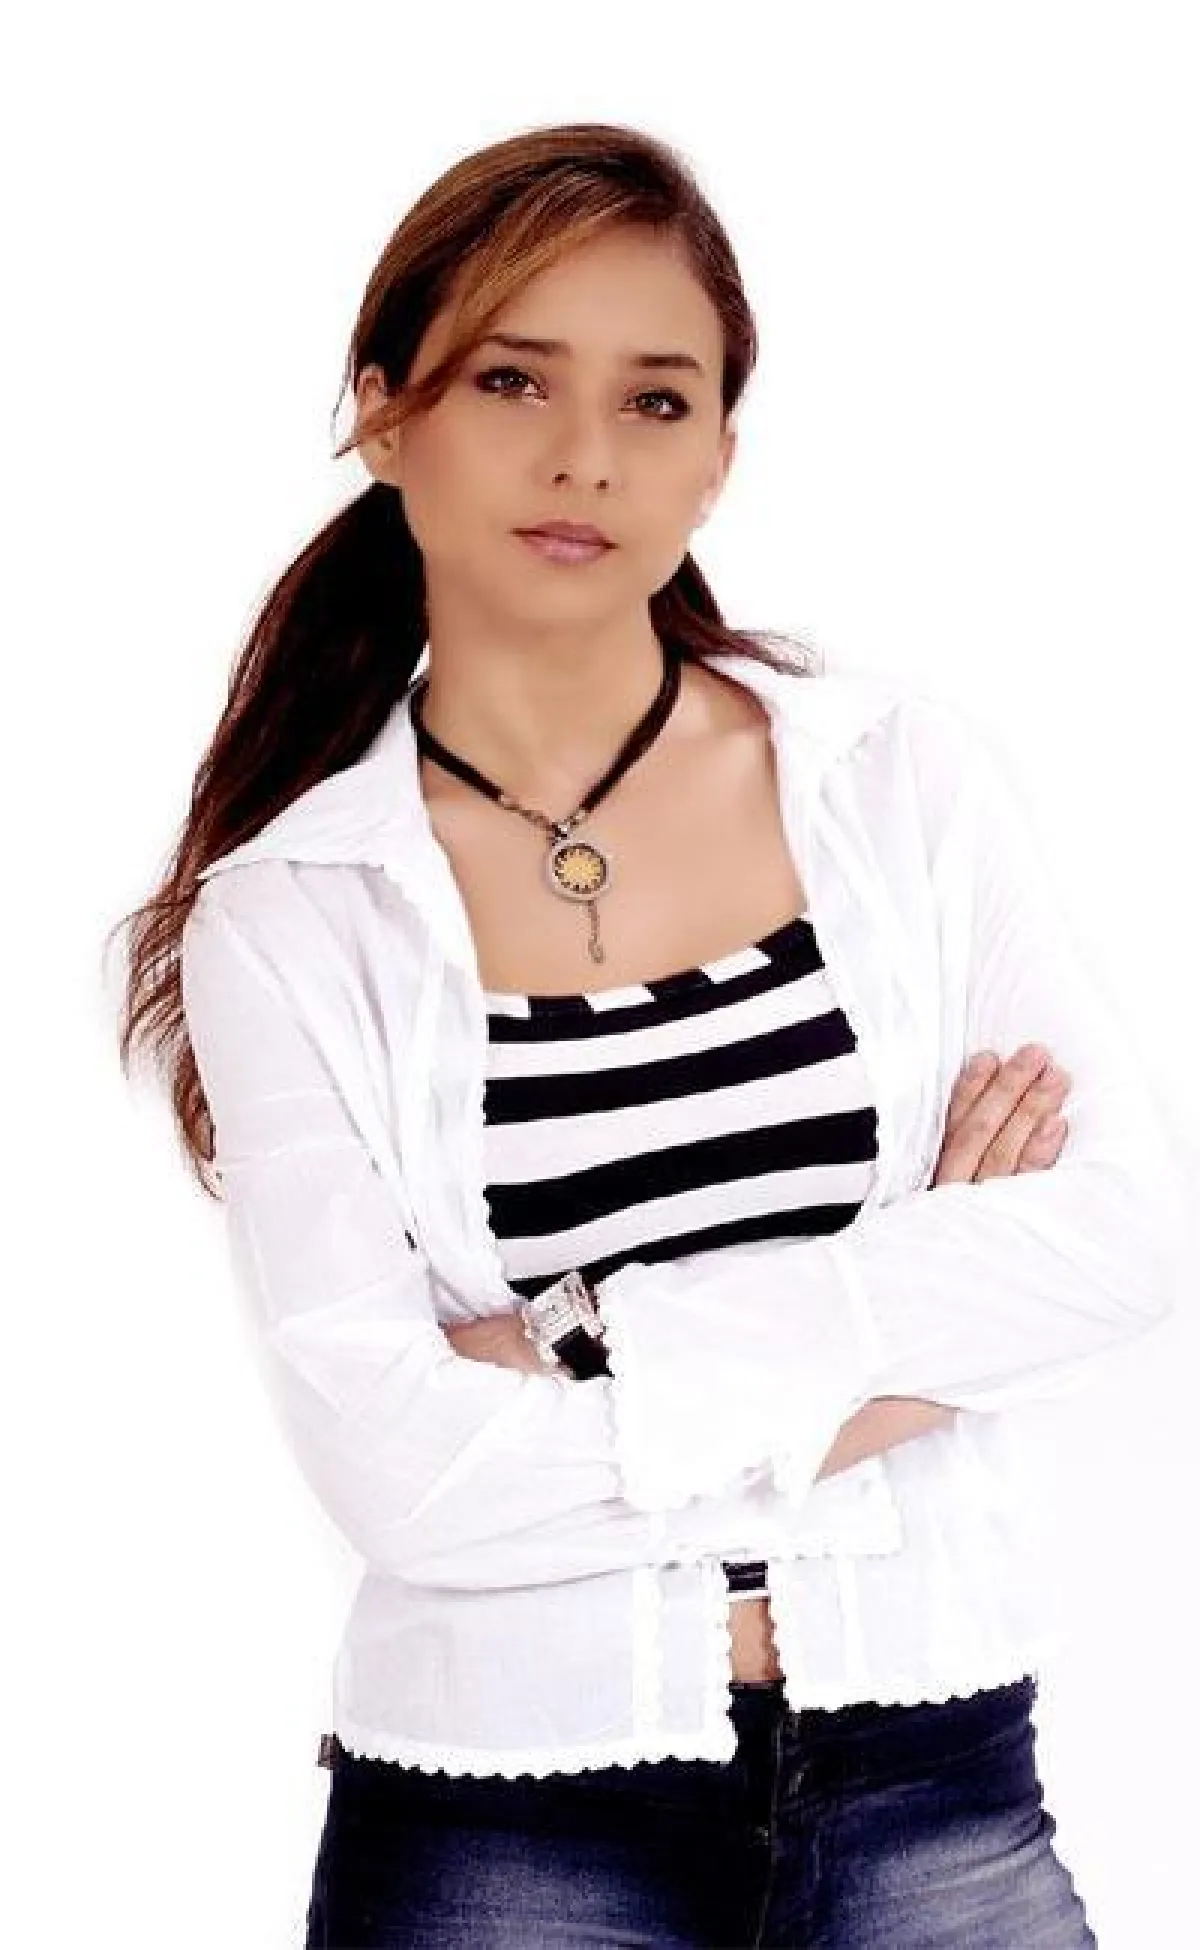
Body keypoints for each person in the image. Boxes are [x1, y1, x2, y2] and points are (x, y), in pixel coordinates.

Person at [110, 122, 1185, 1946]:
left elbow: (1120, 1245)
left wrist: (587, 1339)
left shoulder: (893, 783)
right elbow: (405, 1473)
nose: (586, 456)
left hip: (934, 1781)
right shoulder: (290, 914)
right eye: (512, 378)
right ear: (382, 415)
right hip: (504, 1829)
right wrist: (921, 1329)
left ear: (720, 457)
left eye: (657, 399)